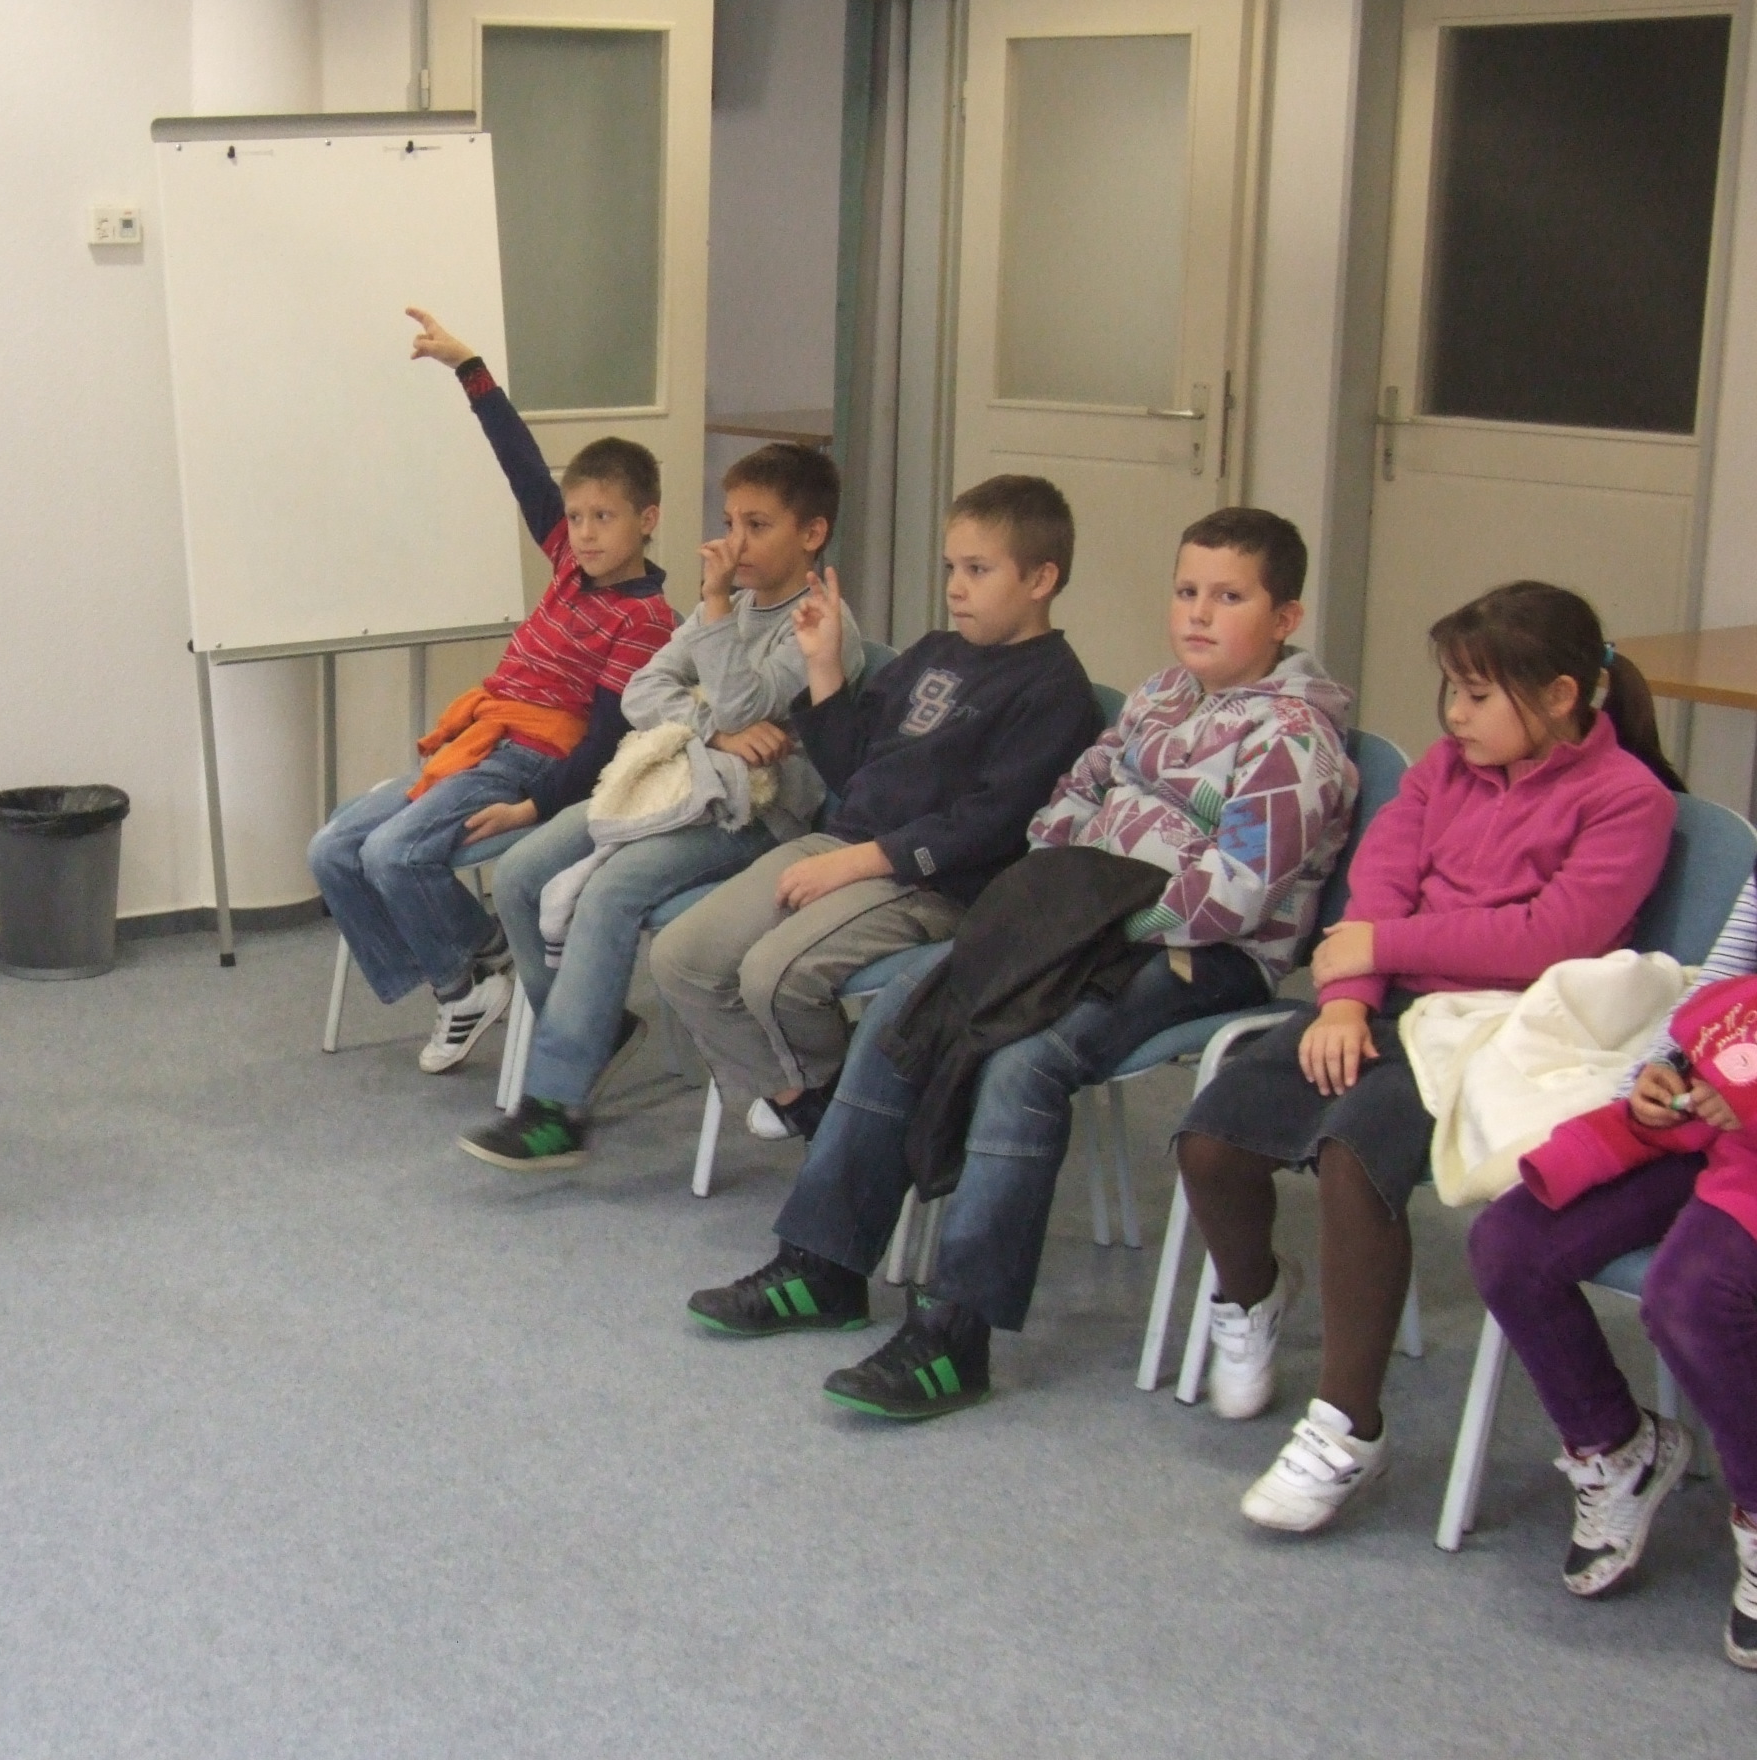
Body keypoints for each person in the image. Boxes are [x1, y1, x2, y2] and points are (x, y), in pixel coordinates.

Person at [686, 509, 1356, 1420]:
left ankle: (955, 1334)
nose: (1199, 613)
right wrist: (1063, 894)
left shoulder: (1295, 742)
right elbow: (1069, 799)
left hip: (1201, 954)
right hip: (1079, 921)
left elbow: (1235, 894)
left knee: (1024, 1061)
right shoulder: (1161, 697)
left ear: (1285, 618)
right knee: (909, 1006)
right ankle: (824, 1265)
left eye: (1229, 597)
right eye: (1187, 591)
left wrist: (1090, 913)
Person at [1175, 582, 1683, 1532]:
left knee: (1354, 1154)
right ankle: (1254, 1294)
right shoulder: (1446, 769)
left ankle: (1347, 1429)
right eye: (1452, 689)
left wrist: (1382, 949)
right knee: (1213, 1139)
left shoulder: (1630, 799)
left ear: (1562, 695)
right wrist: (1347, 999)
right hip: (1391, 997)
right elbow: (1381, 882)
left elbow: (1553, 938)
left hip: (1501, 1027)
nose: (1454, 715)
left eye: (1479, 695)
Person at [648, 475, 1098, 1137]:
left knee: (774, 975)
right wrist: (824, 666)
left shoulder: (1055, 691)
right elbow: (853, 766)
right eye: (951, 568)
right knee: (681, 957)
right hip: (845, 846)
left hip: (931, 882)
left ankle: (857, 1117)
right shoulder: (935, 651)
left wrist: (860, 861)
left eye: (978, 570)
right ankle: (821, 1102)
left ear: (1041, 579)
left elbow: (988, 825)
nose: (956, 587)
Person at [460, 441, 860, 1169]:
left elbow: (744, 700)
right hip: (674, 784)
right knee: (520, 872)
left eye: (757, 526)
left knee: (613, 890)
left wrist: (715, 621)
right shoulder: (727, 609)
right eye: (730, 522)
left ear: (812, 534)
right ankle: (588, 1028)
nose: (734, 543)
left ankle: (555, 1104)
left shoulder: (820, 623)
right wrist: (716, 727)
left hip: (754, 814)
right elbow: (645, 694)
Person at [309, 309, 678, 1075]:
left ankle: (464, 982)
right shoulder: (569, 561)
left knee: (393, 853)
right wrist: (470, 370)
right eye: (576, 517)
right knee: (334, 849)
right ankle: (473, 965)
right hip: (481, 739)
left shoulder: (646, 619)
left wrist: (533, 808)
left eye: (604, 518)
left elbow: (605, 743)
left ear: (647, 520)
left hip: (532, 759)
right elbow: (522, 466)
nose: (584, 532)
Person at [1465, 891, 1757, 1668]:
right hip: (1718, 1112)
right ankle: (1620, 1448)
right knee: (1512, 1245)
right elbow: (1722, 987)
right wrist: (1661, 1072)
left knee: (1692, 1299)